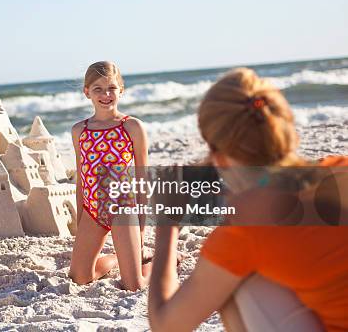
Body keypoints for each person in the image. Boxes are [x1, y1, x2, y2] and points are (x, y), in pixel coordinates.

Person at [148, 68, 348, 331]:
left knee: (238, 284)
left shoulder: (247, 225)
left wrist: (166, 225)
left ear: (217, 154)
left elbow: (166, 325)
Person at [69, 61, 151, 291]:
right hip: (93, 211)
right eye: (98, 89)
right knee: (79, 278)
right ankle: (118, 258)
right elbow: (81, 180)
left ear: (121, 90)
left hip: (124, 210)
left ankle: (165, 260)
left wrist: (142, 228)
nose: (106, 94)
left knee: (134, 285)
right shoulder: (79, 131)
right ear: (87, 92)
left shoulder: (132, 126)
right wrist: (81, 222)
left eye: (112, 88)